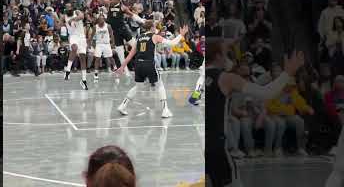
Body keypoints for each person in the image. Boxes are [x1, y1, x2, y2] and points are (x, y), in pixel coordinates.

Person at [205, 38, 304, 187]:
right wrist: (288, 73)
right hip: (216, 147)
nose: (229, 57)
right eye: (226, 53)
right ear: (218, 56)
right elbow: (267, 93)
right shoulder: (226, 78)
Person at [116, 21, 188, 118]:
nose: (156, 28)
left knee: (138, 87)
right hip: (148, 63)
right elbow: (172, 43)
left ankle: (123, 105)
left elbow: (130, 55)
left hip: (138, 65)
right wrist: (181, 35)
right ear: (151, 28)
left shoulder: (139, 38)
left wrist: (122, 67)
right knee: (160, 85)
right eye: (154, 27)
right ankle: (165, 110)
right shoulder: (154, 36)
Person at [63, 5, 88, 90]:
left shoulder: (76, 12)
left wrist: (72, 19)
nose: (69, 8)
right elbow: (58, 25)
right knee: (74, 48)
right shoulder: (64, 16)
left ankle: (84, 80)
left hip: (82, 37)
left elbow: (82, 16)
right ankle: (68, 70)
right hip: (73, 36)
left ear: (72, 8)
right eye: (67, 7)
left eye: (70, 7)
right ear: (65, 9)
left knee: (83, 59)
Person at [91, 15, 116, 82]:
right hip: (99, 44)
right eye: (100, 19)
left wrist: (113, 43)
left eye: (102, 19)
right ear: (98, 20)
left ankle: (115, 69)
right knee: (97, 58)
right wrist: (90, 44)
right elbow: (92, 36)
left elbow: (112, 35)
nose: (101, 20)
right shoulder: (95, 27)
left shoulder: (108, 26)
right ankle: (96, 73)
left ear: (104, 19)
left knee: (110, 57)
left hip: (106, 44)